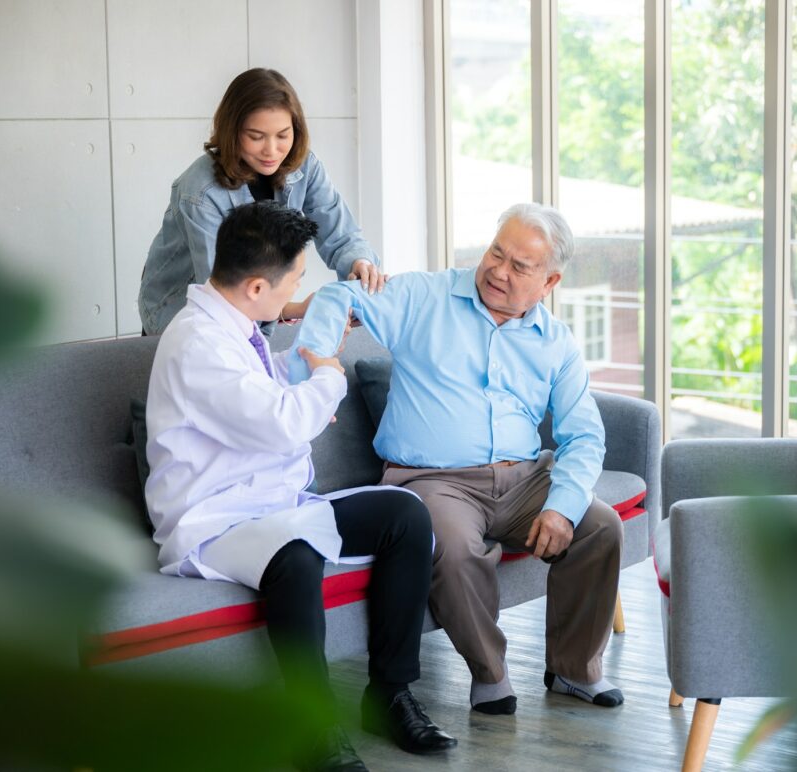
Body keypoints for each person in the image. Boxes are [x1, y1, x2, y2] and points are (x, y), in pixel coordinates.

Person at [144, 201, 456, 772]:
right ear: (258, 284)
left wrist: (310, 367)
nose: (299, 290)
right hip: (215, 520)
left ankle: (388, 693)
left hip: (271, 505)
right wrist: (328, 374)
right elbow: (283, 420)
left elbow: (266, 397)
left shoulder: (233, 325)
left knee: (406, 515)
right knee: (294, 556)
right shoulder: (199, 344)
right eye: (295, 280)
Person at [289, 203, 625, 716]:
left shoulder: (555, 342)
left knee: (598, 525)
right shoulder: (425, 296)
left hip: (523, 478)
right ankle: (490, 675)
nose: (498, 270)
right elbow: (340, 294)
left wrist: (562, 507)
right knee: (450, 542)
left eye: (520, 266)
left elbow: (585, 436)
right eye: (496, 252)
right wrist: (318, 361)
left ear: (549, 281)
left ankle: (574, 671)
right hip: (432, 480)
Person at [138, 67, 386, 337]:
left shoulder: (304, 166)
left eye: (283, 135)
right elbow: (224, 298)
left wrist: (359, 263)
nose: (271, 150)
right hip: (181, 318)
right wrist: (297, 310)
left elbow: (341, 235)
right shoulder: (200, 193)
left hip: (255, 312)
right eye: (256, 137)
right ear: (232, 132)